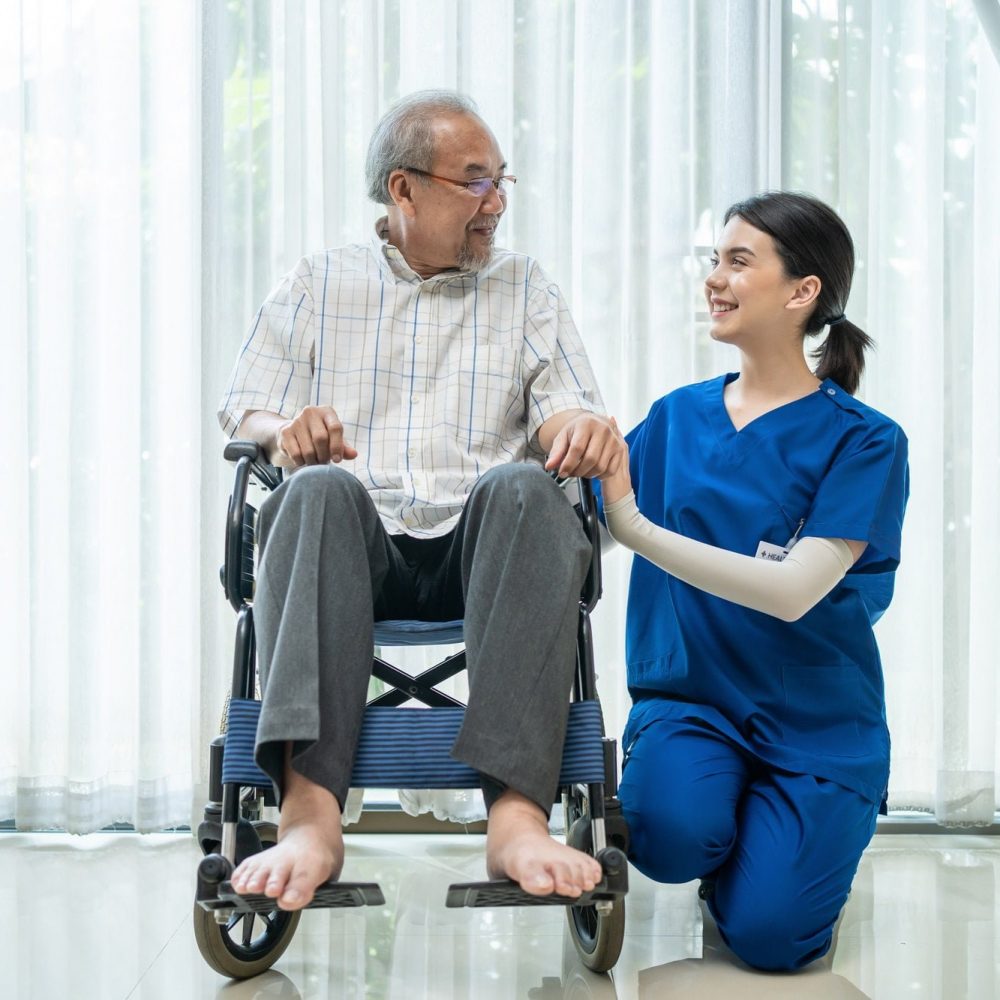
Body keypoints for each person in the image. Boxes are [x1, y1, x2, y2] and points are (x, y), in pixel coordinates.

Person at [217, 90, 620, 912]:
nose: (498, 202)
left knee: (528, 485)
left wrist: (580, 425)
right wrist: (285, 428)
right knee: (315, 488)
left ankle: (514, 816)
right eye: (476, 181)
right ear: (404, 189)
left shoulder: (525, 288)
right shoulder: (317, 282)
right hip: (353, 548)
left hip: (486, 553)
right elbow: (245, 408)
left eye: (503, 180)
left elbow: (566, 404)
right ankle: (310, 815)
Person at [597, 191, 909, 971]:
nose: (714, 277)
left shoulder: (864, 441)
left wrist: (638, 530)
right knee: (667, 839)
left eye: (739, 261)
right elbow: (579, 516)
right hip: (694, 704)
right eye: (714, 259)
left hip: (818, 724)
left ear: (803, 292)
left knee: (772, 941)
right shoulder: (674, 419)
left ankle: (790, 853)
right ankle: (739, 834)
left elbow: (792, 589)